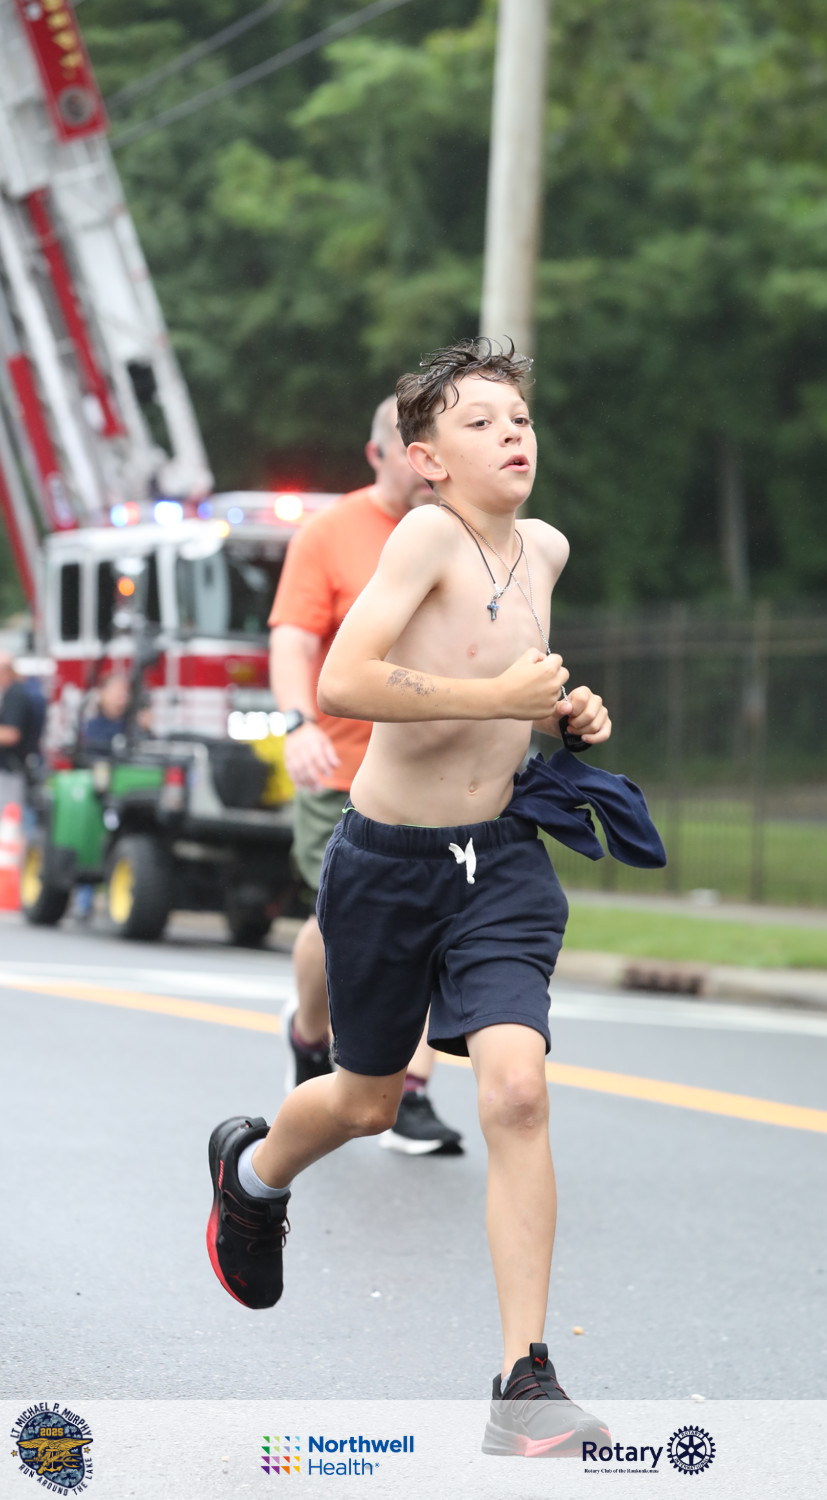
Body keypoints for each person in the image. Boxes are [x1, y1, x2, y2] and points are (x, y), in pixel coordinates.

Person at [207, 339, 653, 1456]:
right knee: (363, 1102)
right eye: (481, 422)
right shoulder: (423, 536)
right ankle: (252, 1176)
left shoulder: (544, 549)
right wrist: (496, 694)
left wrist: (565, 712)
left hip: (499, 862)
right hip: (388, 865)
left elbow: (513, 684)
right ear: (428, 459)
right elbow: (344, 678)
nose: (513, 435)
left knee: (517, 1092)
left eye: (520, 419)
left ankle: (524, 1383)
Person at [268, 397, 462, 1154]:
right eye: (411, 457)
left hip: (435, 774)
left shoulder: (463, 531)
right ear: (379, 455)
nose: (427, 473)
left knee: (434, 926)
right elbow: (293, 641)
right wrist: (297, 723)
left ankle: (409, 1090)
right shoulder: (330, 534)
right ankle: (309, 1033)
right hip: (342, 768)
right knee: (337, 924)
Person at [0, 651, 38, 809]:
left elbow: (11, 734)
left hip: (11, 769)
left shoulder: (15, 694)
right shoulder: (16, 691)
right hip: (12, 769)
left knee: (9, 817)